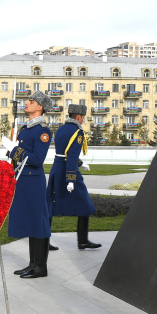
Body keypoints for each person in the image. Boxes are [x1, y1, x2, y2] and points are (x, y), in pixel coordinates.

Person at [2, 91, 55, 279]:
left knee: (39, 223)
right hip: (23, 180)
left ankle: (41, 267)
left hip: (33, 181)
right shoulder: (26, 128)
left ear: (39, 107)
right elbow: (20, 156)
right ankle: (33, 264)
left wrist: (15, 150)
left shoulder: (42, 131)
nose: (27, 102)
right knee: (33, 223)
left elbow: (37, 159)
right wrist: (11, 151)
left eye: (31, 101)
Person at [46, 104, 101, 250]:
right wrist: (71, 179)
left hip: (56, 169)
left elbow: (64, 152)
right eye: (83, 118)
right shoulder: (78, 132)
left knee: (50, 206)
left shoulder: (61, 129)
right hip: (68, 170)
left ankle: (44, 242)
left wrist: (81, 163)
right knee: (86, 205)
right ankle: (82, 241)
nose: (83, 120)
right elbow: (70, 156)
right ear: (78, 117)